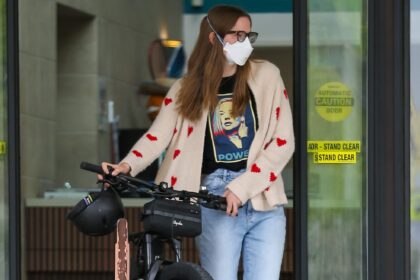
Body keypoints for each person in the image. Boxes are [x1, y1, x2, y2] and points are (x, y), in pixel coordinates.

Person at [100, 5, 294, 280]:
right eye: (237, 34)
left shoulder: (267, 76)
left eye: (248, 36)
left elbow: (284, 141)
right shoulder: (185, 89)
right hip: (215, 199)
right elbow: (156, 137)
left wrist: (242, 188)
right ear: (213, 37)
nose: (244, 43)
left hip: (264, 198)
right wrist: (126, 165)